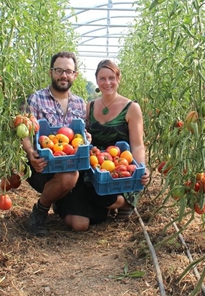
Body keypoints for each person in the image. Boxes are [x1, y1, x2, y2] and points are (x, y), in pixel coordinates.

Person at [54, 59, 150, 231]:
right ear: (97, 81)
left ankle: (123, 203)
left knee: (106, 197)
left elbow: (137, 145)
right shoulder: (89, 107)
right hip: (93, 170)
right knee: (76, 222)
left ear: (118, 79)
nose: (107, 83)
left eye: (111, 78)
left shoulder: (131, 108)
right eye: (102, 78)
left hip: (119, 172)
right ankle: (101, 211)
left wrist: (141, 168)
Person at [21, 51, 88, 236]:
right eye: (59, 70)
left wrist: (86, 138)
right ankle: (40, 212)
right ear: (51, 72)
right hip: (41, 165)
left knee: (71, 176)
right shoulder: (35, 99)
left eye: (68, 71)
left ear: (75, 75)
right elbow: (23, 131)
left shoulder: (80, 104)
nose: (63, 75)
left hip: (68, 162)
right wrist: (29, 152)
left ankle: (58, 199)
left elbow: (81, 135)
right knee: (69, 176)